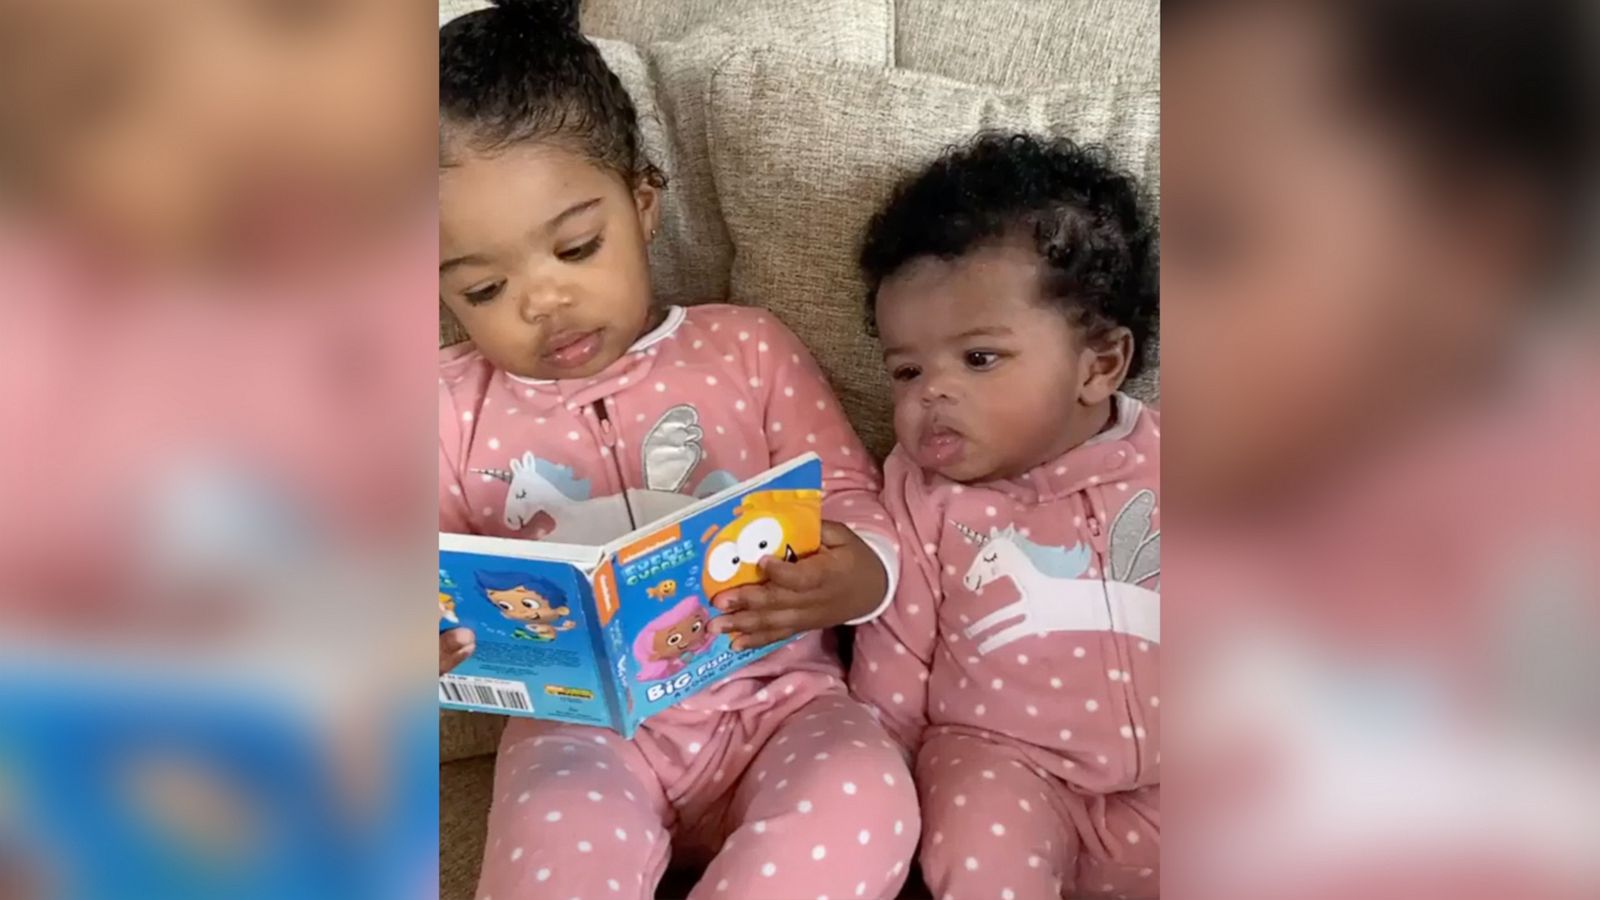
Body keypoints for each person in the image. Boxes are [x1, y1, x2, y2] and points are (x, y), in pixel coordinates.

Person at [436, 3, 918, 897]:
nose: (544, 301)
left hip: (783, 705)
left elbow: (854, 501)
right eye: (487, 287)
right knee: (550, 853)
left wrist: (860, 576)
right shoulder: (446, 412)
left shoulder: (747, 349)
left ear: (644, 204)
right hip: (579, 735)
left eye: (578, 247)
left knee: (866, 793)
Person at [849, 133, 1161, 899]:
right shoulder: (920, 497)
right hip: (1006, 767)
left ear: (1099, 364)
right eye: (907, 370)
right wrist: (882, 782)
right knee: (975, 800)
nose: (931, 393)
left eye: (979, 358)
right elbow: (892, 665)